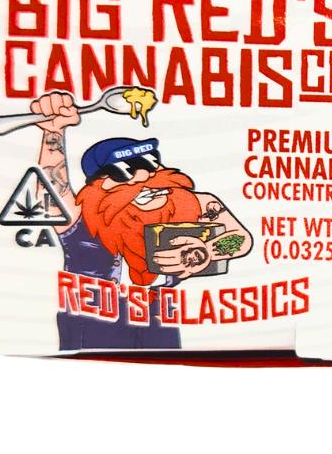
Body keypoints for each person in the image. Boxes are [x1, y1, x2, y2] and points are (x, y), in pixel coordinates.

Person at [29, 91, 253, 350]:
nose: (144, 177)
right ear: (99, 185)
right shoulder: (82, 216)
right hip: (91, 323)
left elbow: (240, 238)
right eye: (124, 171)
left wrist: (206, 251)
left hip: (158, 318)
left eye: (150, 163)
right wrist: (53, 132)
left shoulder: (190, 204)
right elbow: (50, 190)